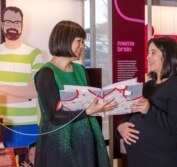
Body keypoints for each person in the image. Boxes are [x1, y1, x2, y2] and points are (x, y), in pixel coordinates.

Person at [34, 20, 117, 167]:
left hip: (85, 141)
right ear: (64, 39)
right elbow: (53, 116)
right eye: (78, 41)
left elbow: (86, 101)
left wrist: (100, 105)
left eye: (82, 41)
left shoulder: (80, 70)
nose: (82, 46)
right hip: (60, 144)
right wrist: (88, 111)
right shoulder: (46, 73)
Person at [117, 37, 177, 167]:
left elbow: (175, 126)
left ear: (168, 56)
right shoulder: (148, 85)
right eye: (148, 53)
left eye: (153, 52)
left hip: (164, 160)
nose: (148, 57)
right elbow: (130, 114)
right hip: (140, 160)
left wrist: (149, 110)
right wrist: (120, 127)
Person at [0, 6, 43, 147]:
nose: (13, 26)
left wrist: (3, 88)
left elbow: (34, 91)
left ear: (22, 26)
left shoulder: (34, 54)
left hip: (29, 124)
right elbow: (28, 93)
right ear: (1, 24)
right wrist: (23, 94)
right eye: (8, 22)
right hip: (2, 124)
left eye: (17, 23)